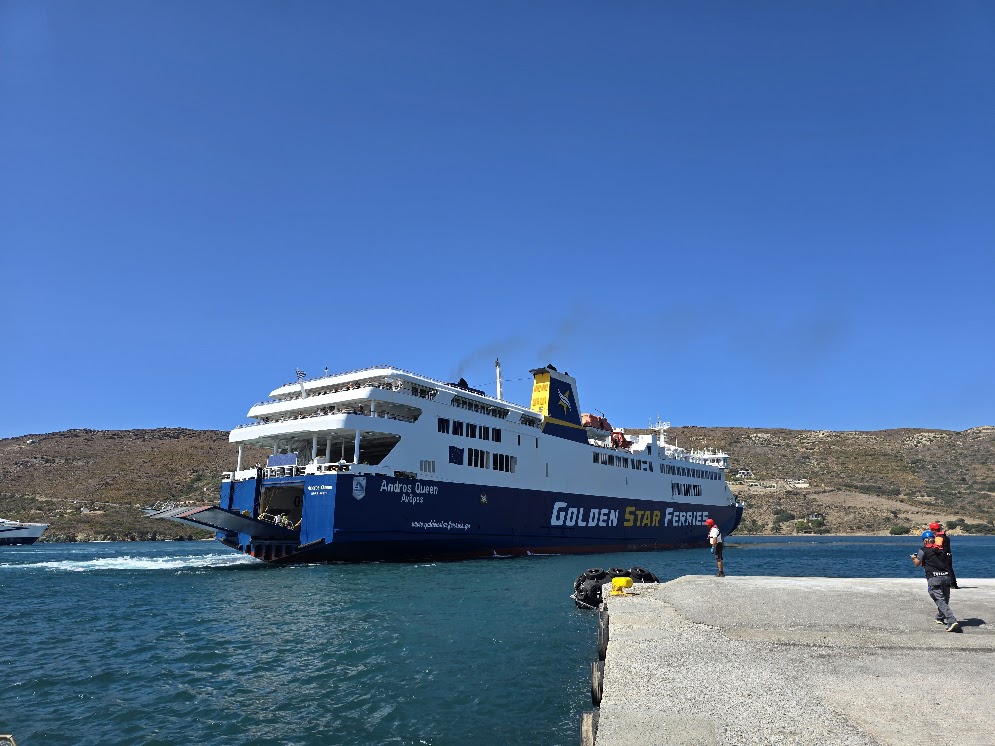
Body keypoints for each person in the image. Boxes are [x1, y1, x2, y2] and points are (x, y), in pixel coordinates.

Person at [912, 530, 960, 632]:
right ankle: (940, 617)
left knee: (939, 599)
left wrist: (913, 558)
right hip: (946, 577)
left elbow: (917, 563)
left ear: (925, 541)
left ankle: (951, 620)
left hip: (934, 579)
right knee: (944, 599)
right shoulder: (942, 550)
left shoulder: (923, 550)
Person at [929, 521, 958, 589]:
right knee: (949, 569)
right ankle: (953, 583)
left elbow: (938, 547)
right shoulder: (944, 536)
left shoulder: (939, 537)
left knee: (946, 570)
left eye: (931, 530)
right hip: (948, 554)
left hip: (944, 555)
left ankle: (951, 584)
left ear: (933, 530)